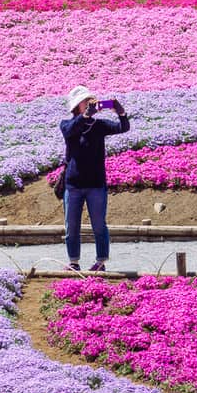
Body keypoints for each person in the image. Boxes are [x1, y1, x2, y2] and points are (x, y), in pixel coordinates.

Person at [59, 85, 130, 271]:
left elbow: (123, 128)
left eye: (91, 100)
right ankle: (73, 261)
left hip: (96, 184)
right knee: (71, 226)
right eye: (85, 101)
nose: (89, 103)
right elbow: (70, 131)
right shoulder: (67, 125)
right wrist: (85, 117)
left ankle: (101, 261)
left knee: (99, 225)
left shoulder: (99, 126)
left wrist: (120, 112)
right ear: (77, 106)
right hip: (73, 185)